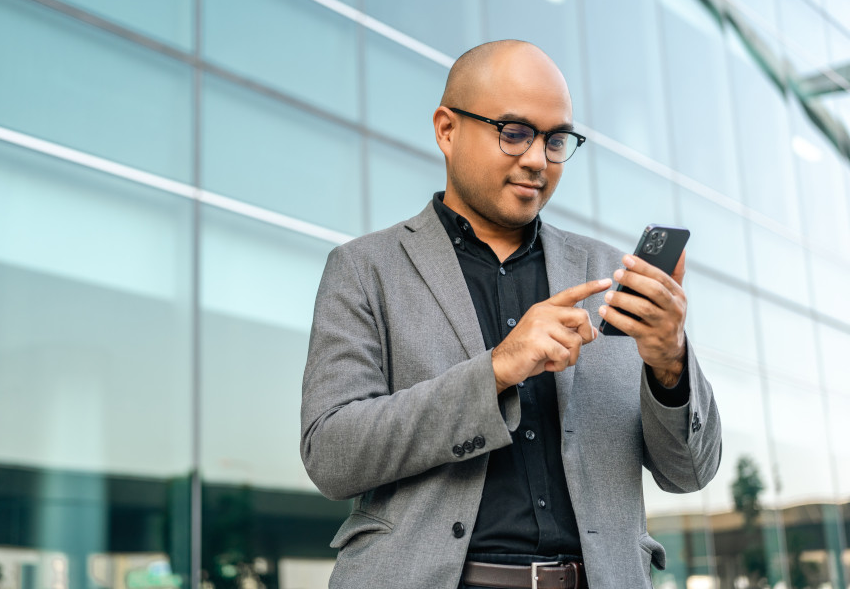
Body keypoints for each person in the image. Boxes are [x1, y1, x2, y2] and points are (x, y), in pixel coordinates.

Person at [300, 40, 721, 589]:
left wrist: (670, 365)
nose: (537, 159)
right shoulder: (364, 269)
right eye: (515, 132)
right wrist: (496, 369)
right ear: (447, 130)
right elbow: (332, 455)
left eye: (556, 139)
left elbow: (689, 471)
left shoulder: (607, 274)